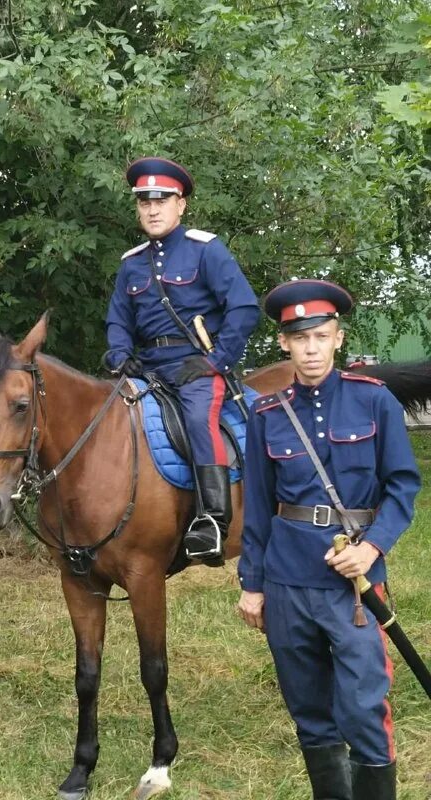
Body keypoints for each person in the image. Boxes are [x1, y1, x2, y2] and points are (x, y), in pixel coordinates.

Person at [237, 279, 421, 800]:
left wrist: (372, 546)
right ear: (284, 344)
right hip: (288, 581)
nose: (311, 348)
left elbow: (403, 484)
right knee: (310, 710)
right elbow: (257, 506)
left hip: (355, 586)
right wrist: (252, 585)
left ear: (338, 339)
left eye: (320, 336)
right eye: (300, 339)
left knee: (363, 706)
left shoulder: (374, 401)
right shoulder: (267, 415)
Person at [104, 156, 260, 564]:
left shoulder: (205, 250)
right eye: (144, 202)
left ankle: (212, 520)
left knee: (196, 419)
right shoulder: (131, 264)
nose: (152, 209)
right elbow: (118, 320)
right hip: (149, 368)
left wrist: (217, 362)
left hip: (197, 366)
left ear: (181, 204)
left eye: (162, 200)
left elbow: (244, 308)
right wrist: (120, 355)